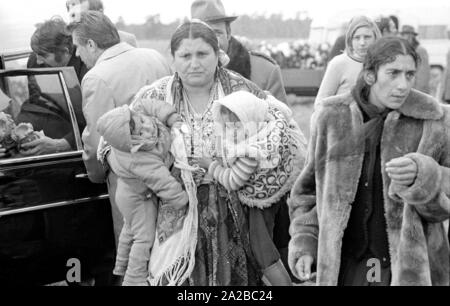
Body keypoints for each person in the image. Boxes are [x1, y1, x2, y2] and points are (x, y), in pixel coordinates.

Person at [130, 20, 302, 286]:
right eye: (185, 56)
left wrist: (252, 172)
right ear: (173, 59)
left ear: (217, 54)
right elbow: (116, 139)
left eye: (202, 54)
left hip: (236, 212)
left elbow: (285, 132)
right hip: (177, 211)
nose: (194, 63)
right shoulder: (155, 96)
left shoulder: (243, 91)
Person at [289, 36, 450, 286]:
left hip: (410, 270)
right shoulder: (331, 117)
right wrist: (306, 240)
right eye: (393, 73)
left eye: (409, 74)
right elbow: (308, 193)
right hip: (345, 267)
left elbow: (445, 201)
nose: (403, 84)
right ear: (370, 75)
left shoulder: (434, 120)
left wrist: (424, 176)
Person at [66, 11, 171, 282]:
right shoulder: (154, 56)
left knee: (137, 246)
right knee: (171, 244)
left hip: (129, 178)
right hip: (170, 166)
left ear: (91, 44)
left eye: (78, 46)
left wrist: (95, 174)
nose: (77, 55)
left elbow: (97, 139)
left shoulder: (96, 77)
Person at [193, 90, 306, 285]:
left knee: (262, 250)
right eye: (227, 126)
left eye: (237, 126)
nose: (231, 133)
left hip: (260, 202)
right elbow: (279, 108)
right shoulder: (268, 125)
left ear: (250, 121)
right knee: (278, 240)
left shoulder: (251, 151)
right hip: (280, 192)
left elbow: (233, 181)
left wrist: (210, 165)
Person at [96, 102, 188, 286]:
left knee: (130, 229)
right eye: (141, 132)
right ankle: (134, 279)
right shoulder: (138, 158)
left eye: (143, 120)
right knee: (143, 237)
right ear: (131, 144)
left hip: (127, 192)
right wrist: (184, 200)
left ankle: (120, 266)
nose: (147, 126)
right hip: (136, 198)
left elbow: (149, 104)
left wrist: (170, 117)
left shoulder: (136, 115)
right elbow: (162, 181)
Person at [191, 0, 287, 104]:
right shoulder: (177, 75)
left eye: (217, 33)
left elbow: (282, 118)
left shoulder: (266, 71)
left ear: (228, 33)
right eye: (201, 35)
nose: (210, 42)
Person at [315, 15, 381, 106]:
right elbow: (320, 102)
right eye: (357, 38)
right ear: (350, 40)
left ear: (375, 37)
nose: (362, 43)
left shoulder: (382, 64)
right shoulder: (339, 63)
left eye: (367, 37)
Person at [66, 0, 138, 47]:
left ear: (100, 12)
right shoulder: (69, 43)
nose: (77, 21)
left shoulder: (126, 40)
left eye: (84, 15)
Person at [401, 25, 431, 94]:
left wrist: (418, 94)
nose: (404, 37)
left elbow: (423, 76)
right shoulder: (407, 50)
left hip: (418, 92)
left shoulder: (420, 50)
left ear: (412, 36)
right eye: (403, 34)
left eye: (406, 34)